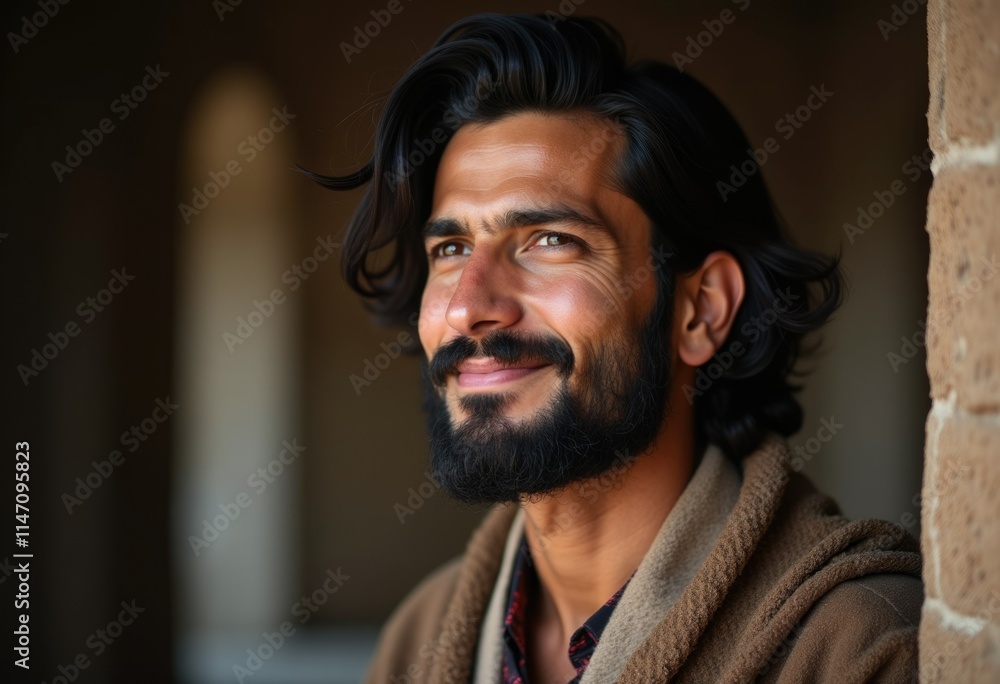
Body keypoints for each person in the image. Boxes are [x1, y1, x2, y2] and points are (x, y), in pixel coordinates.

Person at [305, 13, 922, 683]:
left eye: (549, 241)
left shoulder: (861, 646)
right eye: (451, 249)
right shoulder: (419, 637)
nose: (468, 306)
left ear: (701, 310)